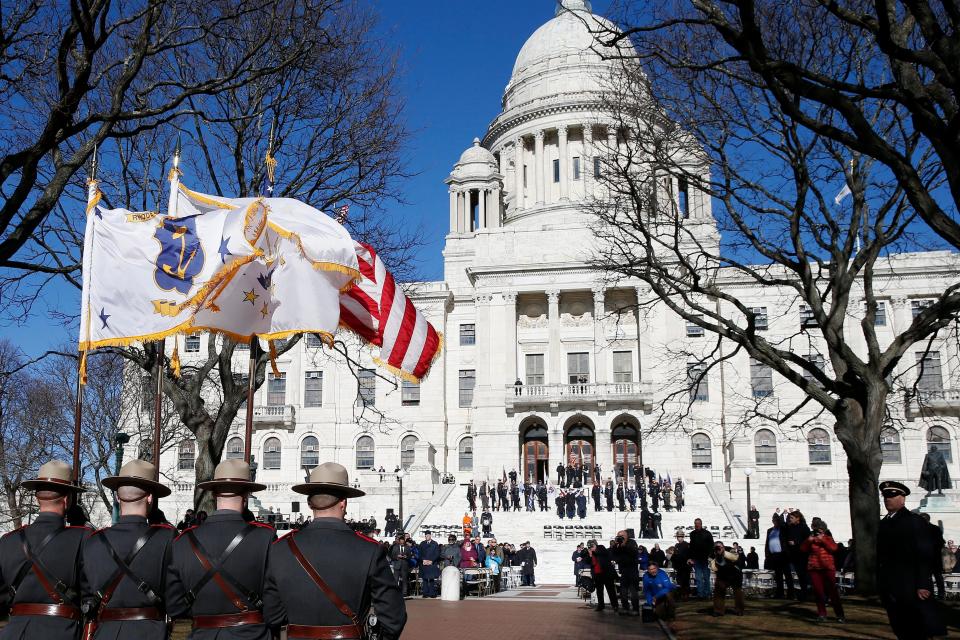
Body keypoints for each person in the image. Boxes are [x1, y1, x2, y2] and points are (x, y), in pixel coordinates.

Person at [263, 462, 406, 640]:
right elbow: (394, 616)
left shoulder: (281, 548)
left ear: (309, 503)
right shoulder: (369, 549)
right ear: (344, 503)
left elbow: (272, 615)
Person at [167, 459, 275, 638]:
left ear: (214, 494)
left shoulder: (183, 541)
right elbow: (273, 604)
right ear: (246, 495)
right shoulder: (265, 537)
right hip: (252, 634)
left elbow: (175, 606)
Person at [81, 459, 179, 640]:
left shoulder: (93, 541)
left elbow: (87, 597)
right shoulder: (167, 538)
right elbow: (176, 598)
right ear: (150, 497)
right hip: (151, 632)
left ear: (118, 497)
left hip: (106, 633)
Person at [0, 460, 90, 640]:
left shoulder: (8, 541)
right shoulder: (83, 538)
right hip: (62, 631)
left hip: (15, 632)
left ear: (37, 498)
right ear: (67, 500)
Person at [877, 480, 945, 640]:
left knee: (915, 629)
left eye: (892, 496)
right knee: (899, 627)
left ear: (902, 498)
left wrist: (923, 584)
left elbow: (924, 553)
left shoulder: (914, 522)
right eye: (885, 496)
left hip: (910, 584)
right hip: (890, 585)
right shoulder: (885, 523)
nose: (888, 499)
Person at [799, 520, 844, 623]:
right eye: (815, 530)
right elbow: (803, 549)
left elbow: (834, 548)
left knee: (833, 592)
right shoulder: (811, 539)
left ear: (823, 530)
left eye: (819, 530)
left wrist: (823, 539)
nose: (817, 532)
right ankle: (822, 614)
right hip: (814, 568)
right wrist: (808, 541)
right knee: (818, 592)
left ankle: (840, 615)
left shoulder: (828, 538)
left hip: (827, 567)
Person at [583, 540, 618, 613]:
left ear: (595, 544)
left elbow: (604, 553)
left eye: (592, 546)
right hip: (597, 574)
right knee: (599, 591)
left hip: (606, 573)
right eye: (589, 546)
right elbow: (587, 561)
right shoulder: (590, 552)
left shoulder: (601, 548)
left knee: (610, 590)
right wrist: (590, 555)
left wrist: (595, 549)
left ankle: (615, 605)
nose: (591, 548)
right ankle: (601, 605)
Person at [710, 543, 744, 617]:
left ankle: (739, 610)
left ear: (724, 547)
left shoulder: (730, 549)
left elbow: (735, 558)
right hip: (722, 575)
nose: (719, 549)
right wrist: (716, 556)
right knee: (718, 591)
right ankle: (718, 610)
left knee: (738, 592)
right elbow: (714, 568)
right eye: (717, 548)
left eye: (721, 547)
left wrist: (724, 553)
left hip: (735, 574)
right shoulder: (713, 554)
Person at [764, 513, 794, 599]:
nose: (775, 521)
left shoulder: (783, 529)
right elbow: (767, 542)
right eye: (774, 520)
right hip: (774, 555)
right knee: (778, 576)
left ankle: (791, 593)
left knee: (787, 575)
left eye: (777, 520)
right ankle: (779, 593)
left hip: (783, 555)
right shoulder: (769, 530)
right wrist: (767, 554)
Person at [785, 510, 812, 601]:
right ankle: (801, 593)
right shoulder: (790, 527)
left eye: (792, 518)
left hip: (802, 555)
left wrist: (796, 543)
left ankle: (806, 593)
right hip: (793, 555)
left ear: (798, 518)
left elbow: (808, 541)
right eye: (790, 518)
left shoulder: (804, 527)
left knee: (803, 575)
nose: (790, 519)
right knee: (798, 575)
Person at [611, 530, 640, 616]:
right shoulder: (618, 545)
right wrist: (616, 545)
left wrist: (625, 546)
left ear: (626, 536)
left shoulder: (632, 542)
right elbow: (613, 555)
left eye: (622, 536)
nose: (621, 538)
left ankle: (635, 609)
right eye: (619, 536)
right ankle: (625, 608)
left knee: (633, 591)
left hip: (632, 571)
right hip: (623, 571)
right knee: (623, 591)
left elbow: (634, 553)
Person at [689, 518, 714, 599]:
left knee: (706, 578)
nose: (697, 525)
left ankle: (707, 594)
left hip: (705, 559)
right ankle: (700, 594)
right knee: (698, 578)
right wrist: (691, 558)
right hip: (696, 559)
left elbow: (711, 546)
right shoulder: (692, 534)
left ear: (701, 524)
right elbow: (691, 547)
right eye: (695, 523)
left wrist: (710, 556)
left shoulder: (707, 533)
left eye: (698, 523)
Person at [418, 530, 441, 598]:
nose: (427, 536)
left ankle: (432, 593)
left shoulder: (435, 543)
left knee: (431, 579)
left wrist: (431, 561)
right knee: (424, 579)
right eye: (426, 535)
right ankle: (425, 593)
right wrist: (423, 560)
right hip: (424, 563)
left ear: (430, 535)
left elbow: (437, 554)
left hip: (432, 563)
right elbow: (419, 554)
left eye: (428, 535)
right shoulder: (422, 543)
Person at [671, 531, 691, 600]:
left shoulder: (687, 545)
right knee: (680, 581)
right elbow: (674, 556)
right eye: (678, 537)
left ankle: (686, 595)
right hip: (678, 566)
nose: (679, 538)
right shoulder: (676, 545)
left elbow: (688, 555)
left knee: (685, 581)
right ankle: (682, 594)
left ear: (683, 537)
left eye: (680, 537)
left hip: (685, 566)